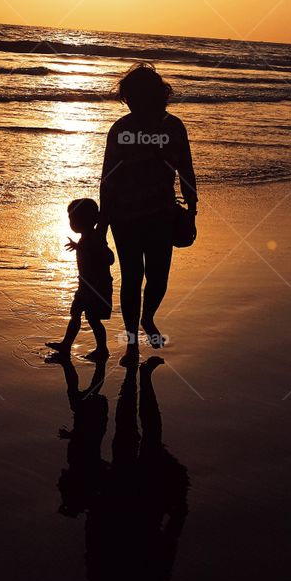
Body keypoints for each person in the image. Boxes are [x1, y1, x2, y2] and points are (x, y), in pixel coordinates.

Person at [98, 63, 197, 365]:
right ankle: (131, 345)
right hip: (124, 217)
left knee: (158, 277)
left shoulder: (174, 126)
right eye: (129, 96)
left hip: (161, 214)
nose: (131, 101)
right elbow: (108, 178)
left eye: (136, 95)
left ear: (154, 95)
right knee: (131, 278)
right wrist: (102, 224)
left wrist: (192, 208)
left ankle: (148, 318)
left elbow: (186, 170)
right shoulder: (121, 129)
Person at [46, 197, 114, 360]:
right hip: (84, 286)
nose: (70, 222)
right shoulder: (87, 238)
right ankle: (66, 345)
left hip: (97, 287)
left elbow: (109, 258)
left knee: (93, 318)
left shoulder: (96, 237)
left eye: (73, 219)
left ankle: (102, 349)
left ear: (86, 220)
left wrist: (87, 249)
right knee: (75, 313)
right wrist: (79, 246)